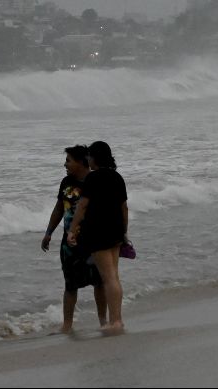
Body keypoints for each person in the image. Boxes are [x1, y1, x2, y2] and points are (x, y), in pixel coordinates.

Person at [41, 145, 107, 333]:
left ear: (80, 162)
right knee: (70, 284)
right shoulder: (66, 182)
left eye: (68, 160)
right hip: (69, 243)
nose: (65, 164)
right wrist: (48, 232)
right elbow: (59, 208)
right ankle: (67, 325)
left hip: (93, 241)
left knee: (99, 282)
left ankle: (103, 322)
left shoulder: (95, 181)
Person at [67, 141, 128, 334]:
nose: (88, 160)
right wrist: (124, 231)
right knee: (114, 277)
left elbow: (82, 206)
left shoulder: (93, 178)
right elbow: (124, 207)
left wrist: (72, 229)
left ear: (95, 158)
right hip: (116, 230)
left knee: (108, 277)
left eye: (89, 157)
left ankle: (116, 321)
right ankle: (116, 319)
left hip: (98, 232)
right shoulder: (117, 177)